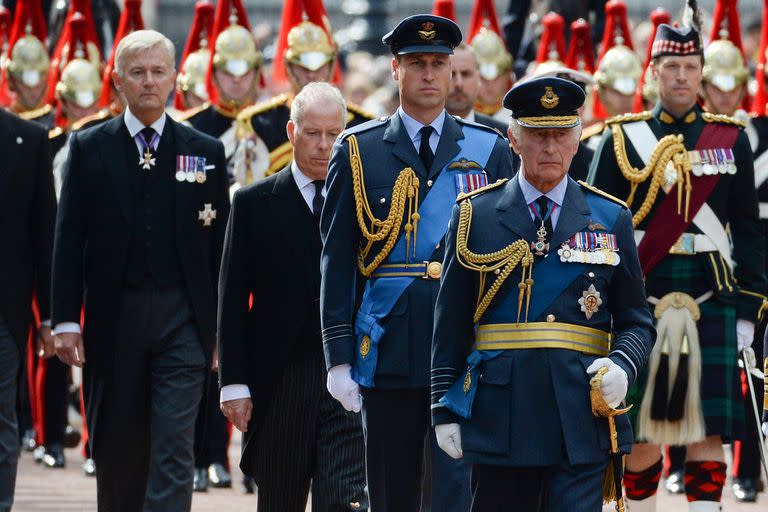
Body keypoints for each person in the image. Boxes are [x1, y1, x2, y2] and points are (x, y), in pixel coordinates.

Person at [430, 75, 654, 511]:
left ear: (577, 141)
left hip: (580, 413)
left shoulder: (610, 217)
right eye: (536, 135)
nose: (549, 147)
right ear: (514, 139)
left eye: (560, 135)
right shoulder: (475, 215)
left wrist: (624, 365)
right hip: (499, 416)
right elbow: (450, 326)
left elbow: (636, 320)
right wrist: (443, 409)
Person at [320, 14, 513, 512]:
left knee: (457, 494)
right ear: (395, 70)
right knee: (390, 493)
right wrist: (339, 356)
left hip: (463, 349)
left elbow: (510, 262)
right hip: (388, 349)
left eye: (438, 64)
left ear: (452, 72)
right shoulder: (359, 150)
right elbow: (337, 260)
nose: (428, 74)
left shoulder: (489, 150)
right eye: (416, 63)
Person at [588, 16, 766, 511]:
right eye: (672, 66)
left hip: (712, 295)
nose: (682, 76)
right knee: (643, 432)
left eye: (691, 66)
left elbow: (749, 233)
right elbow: (598, 229)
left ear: (703, 72)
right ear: (654, 72)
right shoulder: (621, 139)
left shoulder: (730, 139)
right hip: (640, 299)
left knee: (709, 430)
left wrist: (749, 311)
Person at [51, 29, 229, 511]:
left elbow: (220, 254)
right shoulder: (89, 148)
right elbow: (69, 240)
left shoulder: (205, 151)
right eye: (137, 72)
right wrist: (65, 320)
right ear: (118, 81)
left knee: (174, 448)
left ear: (174, 77)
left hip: (183, 320)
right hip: (114, 318)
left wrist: (219, 330)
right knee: (118, 449)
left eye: (157, 71)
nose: (149, 82)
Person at [219, 81, 367, 512]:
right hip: (280, 378)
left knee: (344, 500)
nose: (324, 146)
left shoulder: (366, 203)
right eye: (312, 133)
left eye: (334, 135)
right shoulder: (253, 203)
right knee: (280, 498)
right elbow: (231, 299)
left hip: (346, 371)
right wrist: (233, 382)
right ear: (290, 132)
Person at [235, 6, 373, 184]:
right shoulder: (258, 121)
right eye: (304, 68)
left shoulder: (362, 123)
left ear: (331, 66)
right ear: (289, 66)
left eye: (319, 66)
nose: (312, 75)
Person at [0, 105, 55, 512]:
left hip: (5, 309)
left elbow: (44, 238)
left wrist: (51, 316)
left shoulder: (30, 139)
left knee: (1, 415)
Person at [446, 43, 508, 133]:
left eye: (465, 74)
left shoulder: (503, 135)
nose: (459, 84)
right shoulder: (422, 133)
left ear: (478, 79)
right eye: (451, 74)